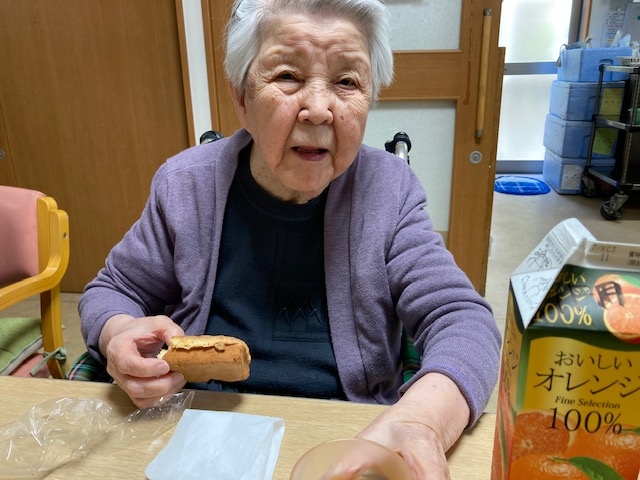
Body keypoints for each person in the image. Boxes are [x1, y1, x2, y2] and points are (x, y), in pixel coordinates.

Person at [79, 0, 501, 477]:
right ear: (241, 96)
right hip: (200, 431)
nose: (318, 110)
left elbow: (462, 319)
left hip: (346, 436)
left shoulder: (390, 190)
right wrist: (118, 331)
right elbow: (113, 289)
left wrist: (422, 421)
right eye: (287, 76)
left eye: (346, 82)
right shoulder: (185, 185)